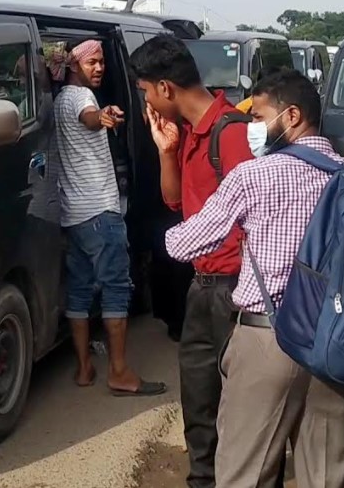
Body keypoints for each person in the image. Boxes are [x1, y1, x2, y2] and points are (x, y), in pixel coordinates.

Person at [164, 69, 344, 488]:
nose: (253, 128)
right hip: (336, 342)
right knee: (328, 475)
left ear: (290, 116)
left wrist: (163, 229)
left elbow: (185, 245)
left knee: (245, 473)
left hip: (268, 339)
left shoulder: (255, 175)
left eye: (258, 116)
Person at [129, 35, 253, 488]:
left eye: (145, 91)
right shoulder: (187, 133)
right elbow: (175, 199)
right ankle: (203, 478)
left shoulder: (233, 133)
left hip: (236, 290)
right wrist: (166, 152)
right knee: (198, 398)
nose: (146, 100)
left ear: (165, 87)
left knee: (238, 404)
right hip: (201, 285)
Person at [52, 38, 167, 396]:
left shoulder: (57, 100)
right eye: (93, 63)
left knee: (80, 291)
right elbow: (90, 119)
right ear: (75, 66)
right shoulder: (83, 100)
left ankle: (84, 368)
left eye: (102, 62)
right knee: (117, 289)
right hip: (101, 213)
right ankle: (119, 371)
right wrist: (103, 117)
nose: (100, 68)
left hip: (73, 214)